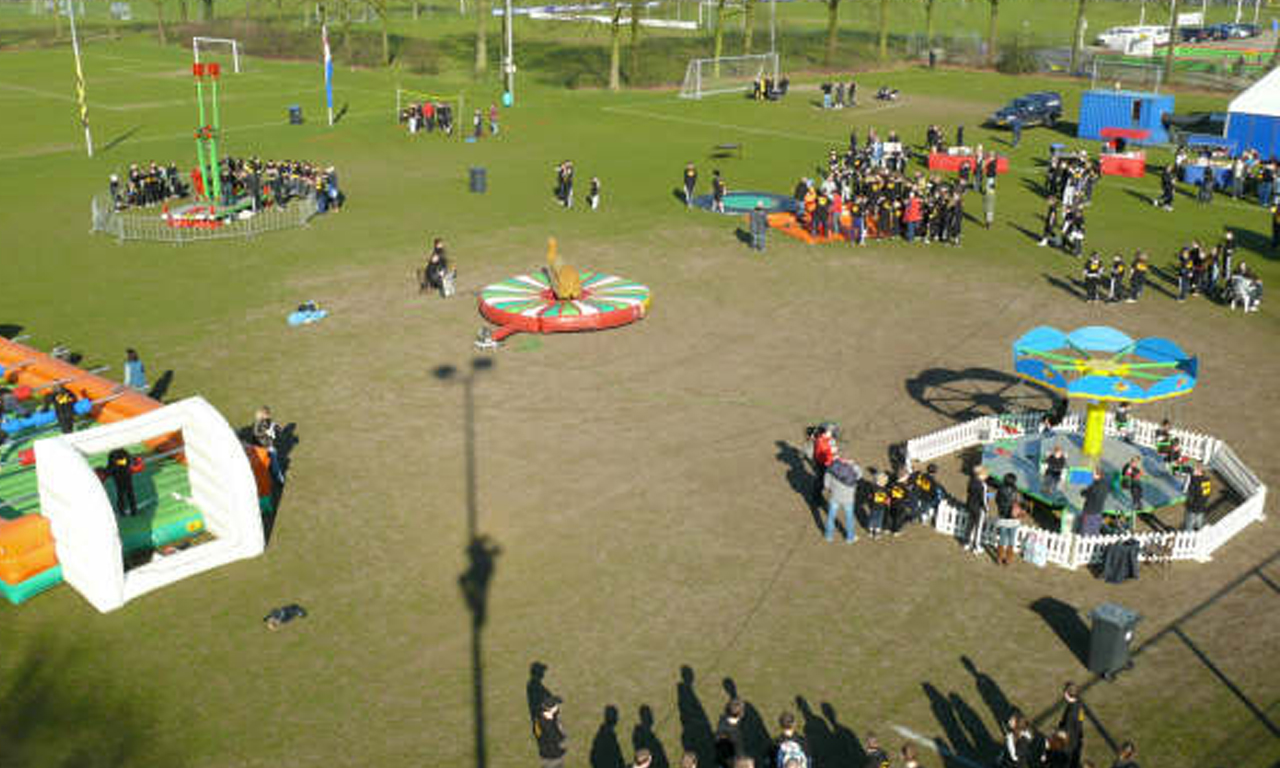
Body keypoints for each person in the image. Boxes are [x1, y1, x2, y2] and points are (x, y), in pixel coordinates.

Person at [824, 452, 860, 543]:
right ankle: (850, 538)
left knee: (831, 517)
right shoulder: (853, 468)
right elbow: (859, 476)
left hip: (834, 496)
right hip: (848, 498)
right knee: (849, 518)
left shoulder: (831, 469)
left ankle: (829, 536)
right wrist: (854, 465)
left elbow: (826, 484)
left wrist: (831, 488)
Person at [993, 473, 1021, 565]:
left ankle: (999, 558)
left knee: (1002, 539)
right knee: (1011, 540)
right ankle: (1008, 559)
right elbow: (1020, 503)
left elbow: (996, 501)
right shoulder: (1016, 491)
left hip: (1003, 518)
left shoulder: (1000, 490)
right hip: (1013, 519)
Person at [253, 406, 285, 486]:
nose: (269, 416)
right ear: (263, 414)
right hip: (261, 445)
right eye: (267, 414)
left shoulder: (268, 421)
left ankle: (278, 477)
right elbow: (256, 433)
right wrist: (266, 433)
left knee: (274, 460)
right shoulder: (258, 423)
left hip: (268, 444)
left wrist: (277, 428)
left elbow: (273, 426)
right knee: (264, 463)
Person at [534, 695, 568, 768]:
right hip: (551, 755)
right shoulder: (546, 724)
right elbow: (554, 738)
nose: (557, 707)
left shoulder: (547, 716)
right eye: (555, 706)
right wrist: (562, 737)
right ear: (549, 709)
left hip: (552, 752)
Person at [106, 447, 138, 517]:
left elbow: (111, 467)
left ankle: (127, 511)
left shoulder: (115, 454)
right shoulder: (120, 453)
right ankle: (131, 510)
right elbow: (127, 462)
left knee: (124, 494)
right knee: (126, 494)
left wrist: (109, 471)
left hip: (122, 476)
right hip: (123, 476)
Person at [1058, 682, 1085, 768]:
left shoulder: (1070, 713)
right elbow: (1081, 720)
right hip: (1077, 741)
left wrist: (1058, 733)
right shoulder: (1080, 705)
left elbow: (1066, 733)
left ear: (1067, 694)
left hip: (1069, 745)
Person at [965, 465, 990, 554]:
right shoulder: (983, 485)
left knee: (970, 524)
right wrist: (987, 509)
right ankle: (976, 546)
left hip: (970, 505)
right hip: (979, 508)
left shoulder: (970, 481)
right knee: (978, 527)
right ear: (981, 475)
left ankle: (967, 543)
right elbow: (983, 499)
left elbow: (969, 492)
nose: (986, 477)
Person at [715, 699, 746, 768]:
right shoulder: (735, 734)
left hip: (721, 757)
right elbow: (738, 753)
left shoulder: (722, 720)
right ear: (740, 714)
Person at [808, 425, 834, 505]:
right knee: (820, 480)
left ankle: (817, 496)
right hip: (822, 462)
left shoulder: (820, 441)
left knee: (820, 480)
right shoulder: (821, 440)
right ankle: (816, 496)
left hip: (822, 462)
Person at [1080, 470, 1108, 536]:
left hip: (1089, 511)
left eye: (1094, 474)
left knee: (1086, 531)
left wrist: (1084, 492)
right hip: (1099, 511)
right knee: (1095, 531)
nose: (1092, 475)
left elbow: (1085, 493)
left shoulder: (1094, 486)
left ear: (1098, 476)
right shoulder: (1105, 486)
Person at [1184, 464, 1210, 531]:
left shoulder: (1204, 481)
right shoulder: (1195, 478)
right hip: (1195, 506)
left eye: (1196, 469)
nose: (1194, 471)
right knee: (1193, 524)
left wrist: (1193, 504)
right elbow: (1186, 469)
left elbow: (1205, 496)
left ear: (1200, 472)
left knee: (1192, 525)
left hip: (1196, 507)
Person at [867, 472, 890, 540]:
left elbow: (869, 496)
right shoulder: (884, 489)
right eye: (885, 481)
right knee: (877, 519)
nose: (885, 482)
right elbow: (886, 498)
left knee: (874, 518)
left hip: (875, 507)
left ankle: (872, 531)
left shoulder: (873, 488)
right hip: (879, 507)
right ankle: (875, 532)